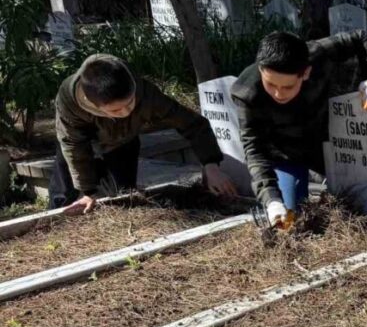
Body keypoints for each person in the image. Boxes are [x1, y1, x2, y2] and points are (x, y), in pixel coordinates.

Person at [232, 30, 367, 228]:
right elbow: (254, 150)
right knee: (290, 216)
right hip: (287, 152)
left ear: (305, 72)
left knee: (365, 198)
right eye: (270, 84)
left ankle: (321, 176)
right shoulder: (246, 93)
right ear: (261, 69)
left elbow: (361, 37)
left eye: (288, 87)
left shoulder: (317, 53)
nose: (278, 94)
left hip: (327, 137)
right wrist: (271, 200)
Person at [50, 54, 237, 214]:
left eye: (130, 103)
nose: (126, 112)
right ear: (94, 105)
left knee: (123, 198)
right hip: (77, 143)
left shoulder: (146, 94)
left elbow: (192, 123)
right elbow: (73, 144)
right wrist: (87, 191)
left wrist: (210, 164)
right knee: (65, 195)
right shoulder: (69, 99)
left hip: (122, 141)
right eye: (116, 111)